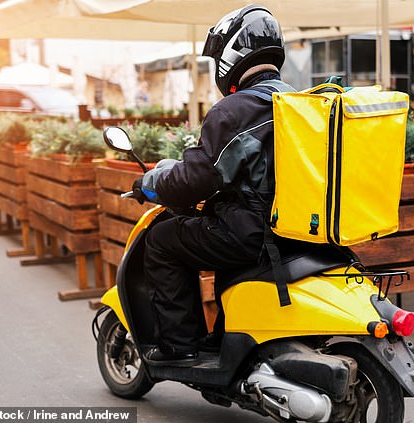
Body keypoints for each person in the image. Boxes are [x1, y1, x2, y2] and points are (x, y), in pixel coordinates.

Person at [132, 4, 291, 365]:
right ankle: (224, 337)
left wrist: (150, 181)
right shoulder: (299, 102)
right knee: (214, 234)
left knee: (162, 241)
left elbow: (195, 180)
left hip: (254, 233)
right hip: (295, 232)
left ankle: (179, 347)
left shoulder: (235, 109)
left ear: (233, 52)